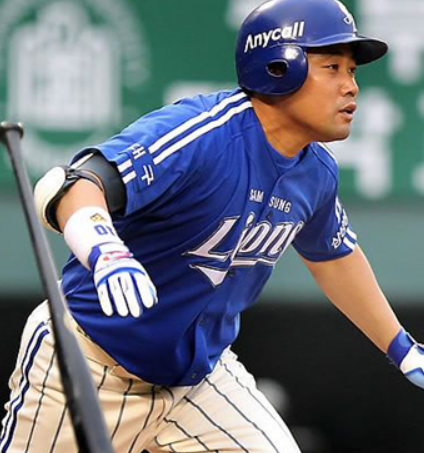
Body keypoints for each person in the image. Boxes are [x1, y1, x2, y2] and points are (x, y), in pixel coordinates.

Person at [2, 0, 424, 452]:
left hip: (198, 383)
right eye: (333, 67)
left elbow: (334, 257)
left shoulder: (316, 170)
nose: (351, 86)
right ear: (279, 67)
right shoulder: (204, 133)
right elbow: (79, 185)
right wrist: (105, 251)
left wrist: (399, 345)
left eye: (352, 71)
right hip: (90, 361)